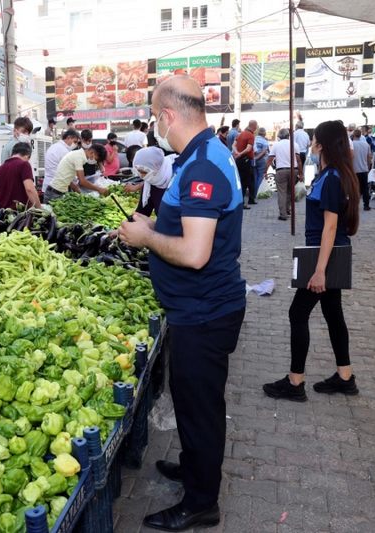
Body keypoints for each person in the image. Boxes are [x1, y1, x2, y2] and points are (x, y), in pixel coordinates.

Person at [118, 75, 245, 532]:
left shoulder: (203, 166)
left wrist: (145, 236)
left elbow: (195, 253)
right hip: (197, 309)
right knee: (192, 401)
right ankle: (195, 469)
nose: (156, 126)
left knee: (200, 408)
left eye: (156, 117)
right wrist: (151, 223)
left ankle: (200, 503)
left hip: (205, 312)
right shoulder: (201, 155)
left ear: (168, 115)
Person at [262, 120, 360, 402]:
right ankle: (345, 376)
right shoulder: (336, 174)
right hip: (332, 253)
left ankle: (295, 382)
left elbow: (330, 227)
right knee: (333, 315)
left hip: (323, 256)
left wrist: (319, 271)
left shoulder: (331, 178)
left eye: (314, 139)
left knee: (297, 314)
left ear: (322, 145)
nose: (311, 144)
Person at [0, 142, 41, 213]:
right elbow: (29, 189)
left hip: (4, 218)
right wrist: (40, 209)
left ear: (12, 153)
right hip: (21, 218)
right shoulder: (24, 165)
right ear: (27, 156)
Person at [266, 128, 302, 221]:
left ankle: (283, 214)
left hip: (281, 170)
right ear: (288, 136)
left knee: (282, 192)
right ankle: (287, 209)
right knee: (290, 191)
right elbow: (298, 160)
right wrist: (301, 173)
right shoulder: (295, 144)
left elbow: (270, 159)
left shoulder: (276, 145)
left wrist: (265, 171)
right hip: (293, 170)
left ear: (279, 136)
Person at [128, 146, 176, 216]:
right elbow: (143, 211)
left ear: (157, 168)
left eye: (144, 172)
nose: (142, 176)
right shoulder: (149, 183)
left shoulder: (177, 180)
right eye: (139, 172)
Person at [233, 120, 257, 207]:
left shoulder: (240, 134)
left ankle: (251, 199)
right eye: (256, 126)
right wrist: (240, 154)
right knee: (245, 182)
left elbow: (233, 145)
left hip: (239, 160)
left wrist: (236, 153)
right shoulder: (251, 135)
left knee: (249, 180)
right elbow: (248, 148)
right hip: (246, 161)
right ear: (254, 126)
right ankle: (242, 203)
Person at [351, 128, 372, 211]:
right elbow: (369, 157)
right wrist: (368, 165)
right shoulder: (366, 144)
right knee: (365, 188)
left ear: (353, 135)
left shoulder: (351, 144)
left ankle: (354, 205)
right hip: (364, 169)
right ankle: (366, 205)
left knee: (354, 188)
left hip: (354, 169)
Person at [253, 127, 270, 194]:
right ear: (264, 133)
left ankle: (253, 192)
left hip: (253, 159)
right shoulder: (264, 141)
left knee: (255, 176)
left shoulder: (254, 139)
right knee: (260, 176)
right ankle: (258, 192)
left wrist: (255, 158)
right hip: (262, 160)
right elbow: (265, 152)